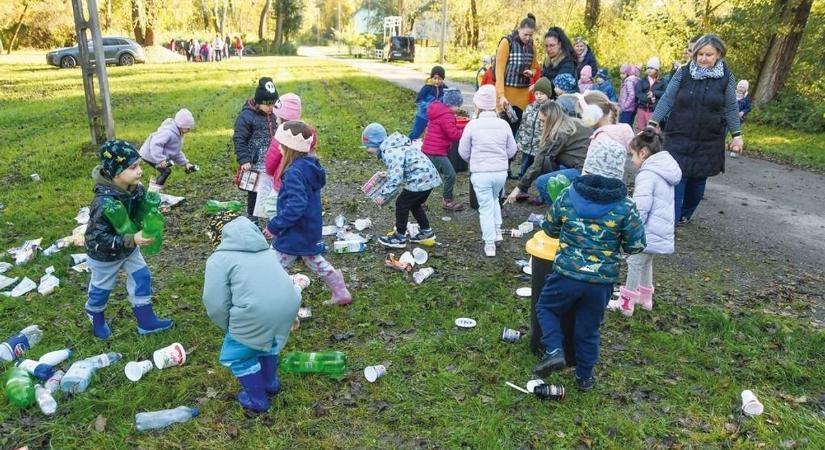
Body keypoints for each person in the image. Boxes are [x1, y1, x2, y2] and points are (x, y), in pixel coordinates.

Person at [531, 130, 646, 391]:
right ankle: (584, 378)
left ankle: (554, 349)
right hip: (600, 282)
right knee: (589, 328)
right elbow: (636, 244)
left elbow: (549, 229)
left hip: (566, 274)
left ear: (587, 165)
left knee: (546, 308)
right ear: (620, 170)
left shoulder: (568, 195)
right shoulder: (626, 206)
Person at [203, 213, 300, 413]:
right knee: (268, 342)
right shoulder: (267, 251)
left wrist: (229, 327)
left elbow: (215, 302)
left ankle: (258, 399)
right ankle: (270, 382)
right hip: (288, 304)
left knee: (239, 354)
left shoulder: (219, 260)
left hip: (256, 311)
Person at [648, 34, 743, 225]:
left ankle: (685, 213)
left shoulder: (727, 77)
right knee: (678, 177)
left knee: (697, 183)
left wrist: (737, 135)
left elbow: (731, 107)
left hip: (709, 138)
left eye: (708, 54)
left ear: (719, 55)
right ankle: (671, 221)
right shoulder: (683, 73)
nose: (703, 58)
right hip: (679, 134)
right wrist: (652, 122)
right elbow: (667, 98)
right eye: (699, 54)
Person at [83, 140, 174, 340]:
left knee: (141, 277)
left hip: (130, 247)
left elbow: (144, 209)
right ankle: (95, 315)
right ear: (115, 172)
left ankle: (146, 321)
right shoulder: (103, 203)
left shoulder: (135, 188)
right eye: (133, 167)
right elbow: (99, 237)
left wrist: (155, 188)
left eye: (139, 165)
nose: (139, 171)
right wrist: (132, 238)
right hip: (104, 255)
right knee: (102, 288)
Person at [266, 121, 353, 306]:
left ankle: (273, 300)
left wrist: (275, 225)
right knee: (314, 259)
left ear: (290, 148)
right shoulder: (309, 166)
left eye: (281, 145)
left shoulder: (293, 173)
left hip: (294, 231)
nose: (279, 149)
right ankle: (340, 291)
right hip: (309, 227)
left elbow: (296, 205)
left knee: (272, 266)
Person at [608, 127, 681, 316]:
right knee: (646, 262)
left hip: (646, 231)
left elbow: (640, 207)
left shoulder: (648, 174)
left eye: (632, 155)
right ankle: (645, 298)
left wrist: (631, 230)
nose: (631, 160)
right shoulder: (665, 170)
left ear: (643, 153)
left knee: (634, 261)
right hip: (659, 230)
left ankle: (626, 304)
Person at [458, 85, 517, 257]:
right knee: (494, 199)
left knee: (485, 206)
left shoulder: (472, 125)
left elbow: (463, 151)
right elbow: (512, 150)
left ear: (478, 105)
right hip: (500, 172)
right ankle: (497, 231)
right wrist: (501, 158)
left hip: (480, 173)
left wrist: (473, 160)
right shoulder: (504, 124)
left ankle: (489, 244)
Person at [361, 123, 442, 248]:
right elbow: (403, 167)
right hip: (429, 176)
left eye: (368, 147)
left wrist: (384, 195)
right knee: (414, 204)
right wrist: (388, 174)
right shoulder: (397, 145)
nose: (367, 151)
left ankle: (399, 237)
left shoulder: (390, 152)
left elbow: (396, 179)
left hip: (419, 179)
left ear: (374, 143)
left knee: (401, 203)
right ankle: (427, 232)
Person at [505, 100, 590, 205]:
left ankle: (560, 210)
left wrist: (518, 188)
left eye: (542, 121)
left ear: (551, 119)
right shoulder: (573, 122)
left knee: (542, 182)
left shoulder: (559, 133)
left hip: (585, 172)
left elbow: (538, 163)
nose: (540, 125)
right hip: (589, 167)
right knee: (551, 165)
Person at [233, 77, 278, 218]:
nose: (271, 107)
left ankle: (272, 217)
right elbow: (239, 139)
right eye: (268, 105)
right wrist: (244, 159)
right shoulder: (247, 116)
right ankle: (253, 220)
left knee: (273, 191)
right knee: (254, 192)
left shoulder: (274, 114)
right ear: (259, 102)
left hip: (272, 162)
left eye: (274, 104)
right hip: (255, 164)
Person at [263, 94, 310, 219]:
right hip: (303, 180)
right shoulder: (306, 132)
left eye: (277, 117)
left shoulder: (281, 135)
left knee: (272, 208)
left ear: (283, 118)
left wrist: (270, 173)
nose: (276, 120)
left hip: (282, 181)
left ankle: (277, 228)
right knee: (298, 204)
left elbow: (271, 161)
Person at [421, 88, 467, 211]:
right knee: (450, 174)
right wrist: (465, 131)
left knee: (430, 176)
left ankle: (419, 201)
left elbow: (447, 128)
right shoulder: (446, 115)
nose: (458, 108)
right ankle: (447, 200)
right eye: (458, 105)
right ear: (451, 104)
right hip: (436, 152)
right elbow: (454, 134)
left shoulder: (438, 111)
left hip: (428, 149)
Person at [138, 108, 198, 192]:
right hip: (149, 154)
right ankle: (153, 192)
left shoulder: (178, 134)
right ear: (181, 125)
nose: (189, 130)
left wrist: (186, 163)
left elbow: (176, 152)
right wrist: (161, 160)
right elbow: (155, 144)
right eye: (187, 127)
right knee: (166, 171)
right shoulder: (168, 132)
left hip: (156, 155)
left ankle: (154, 190)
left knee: (166, 170)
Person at [494, 14, 540, 113]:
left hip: (523, 96)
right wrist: (501, 95)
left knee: (519, 126)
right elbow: (499, 72)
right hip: (506, 95)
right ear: (519, 29)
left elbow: (535, 68)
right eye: (525, 34)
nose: (528, 38)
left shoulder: (532, 46)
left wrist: (531, 73)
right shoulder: (507, 42)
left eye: (531, 35)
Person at [516, 77, 553, 179]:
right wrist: (521, 139)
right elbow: (523, 124)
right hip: (527, 145)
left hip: (540, 146)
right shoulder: (530, 107)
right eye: (536, 94)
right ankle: (522, 180)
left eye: (542, 94)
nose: (539, 96)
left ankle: (540, 181)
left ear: (548, 94)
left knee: (539, 166)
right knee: (525, 164)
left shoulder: (551, 108)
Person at [409, 66, 448, 140]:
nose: (437, 81)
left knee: (431, 136)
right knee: (415, 133)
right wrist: (429, 106)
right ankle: (409, 144)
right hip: (423, 116)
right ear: (431, 78)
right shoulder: (427, 87)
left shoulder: (445, 89)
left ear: (443, 79)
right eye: (435, 78)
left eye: (439, 79)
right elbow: (418, 100)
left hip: (436, 118)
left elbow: (447, 101)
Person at [540, 27, 577, 97]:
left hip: (564, 101)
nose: (548, 49)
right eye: (546, 46)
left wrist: (539, 85)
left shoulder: (568, 61)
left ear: (559, 44)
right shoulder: (547, 61)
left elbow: (559, 86)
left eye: (552, 45)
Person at [634, 57, 666, 131]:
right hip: (642, 109)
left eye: (651, 68)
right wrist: (648, 99)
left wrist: (654, 93)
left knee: (653, 130)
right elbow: (638, 93)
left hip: (653, 111)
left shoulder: (662, 81)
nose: (649, 70)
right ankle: (642, 142)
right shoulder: (642, 80)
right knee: (641, 129)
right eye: (647, 68)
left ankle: (655, 142)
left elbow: (666, 93)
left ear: (657, 70)